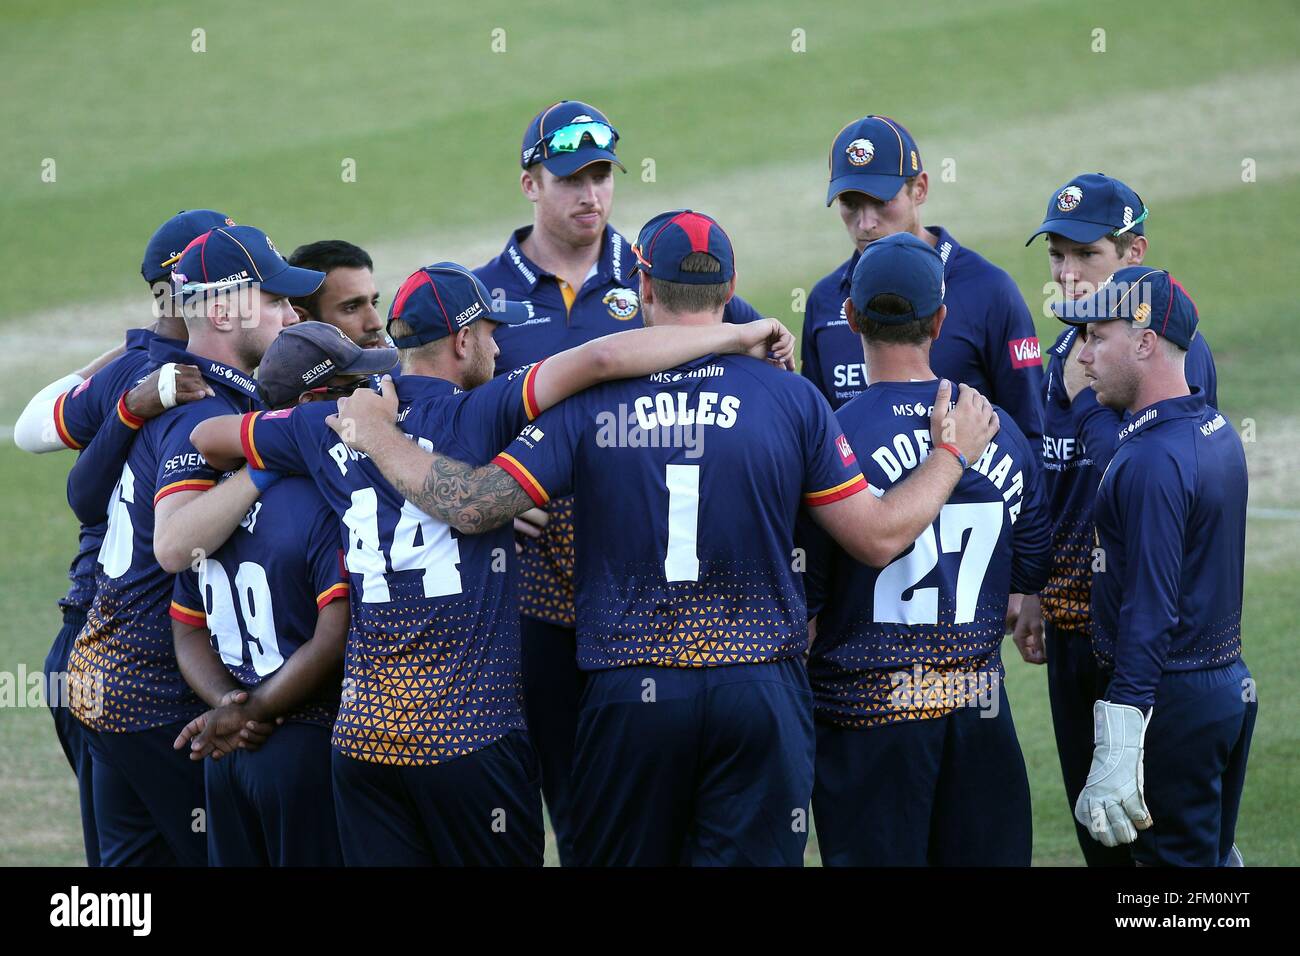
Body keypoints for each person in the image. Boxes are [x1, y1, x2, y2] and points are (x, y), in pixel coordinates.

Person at [327, 211, 1000, 866]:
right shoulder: (791, 399)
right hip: (758, 692)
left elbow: (471, 506)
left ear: (643, 288)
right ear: (730, 292)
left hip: (633, 699)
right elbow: (879, 538)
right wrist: (950, 455)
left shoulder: (589, 404)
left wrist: (380, 436)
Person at [188, 262, 795, 865]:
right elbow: (604, 360)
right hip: (469, 738)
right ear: (462, 340)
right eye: (489, 333)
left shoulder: (327, 426)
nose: (498, 345)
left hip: (364, 741)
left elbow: (207, 438)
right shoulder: (482, 414)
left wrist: (297, 443)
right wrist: (739, 334)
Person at [473, 100, 771, 862]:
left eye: (603, 176)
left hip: (654, 616)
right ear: (529, 183)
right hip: (539, 605)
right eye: (571, 178)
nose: (591, 196)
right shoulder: (482, 302)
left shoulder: (657, 274)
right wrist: (494, 496)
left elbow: (756, 366)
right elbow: (452, 422)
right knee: (583, 823)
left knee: (673, 821)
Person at [64, 224, 317, 865]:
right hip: (157, 698)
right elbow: (176, 545)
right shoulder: (206, 411)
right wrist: (269, 461)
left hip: (103, 680)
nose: (292, 314)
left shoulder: (165, 383)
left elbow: (82, 493)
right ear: (227, 307)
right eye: (277, 299)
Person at [801, 232, 1051, 865]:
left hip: (865, 727)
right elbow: (1023, 583)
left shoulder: (831, 439)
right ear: (941, 320)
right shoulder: (1003, 432)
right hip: (978, 720)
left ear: (851, 317)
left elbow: (805, 605)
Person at [10, 208, 230, 866]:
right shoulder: (192, 382)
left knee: (126, 867)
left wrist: (122, 352)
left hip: (88, 652)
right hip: (135, 657)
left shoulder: (137, 369)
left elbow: (33, 428)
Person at [1016, 173, 1219, 865]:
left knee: (1159, 845)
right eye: (1056, 256)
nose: (1067, 275)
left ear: (1134, 253)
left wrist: (1082, 406)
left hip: (1144, 640)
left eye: (1086, 255)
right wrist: (1035, 589)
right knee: (1097, 833)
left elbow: (1136, 485)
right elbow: (1053, 482)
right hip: (1073, 631)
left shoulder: (1168, 360)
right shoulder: (1060, 357)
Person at [168, 322, 396, 866]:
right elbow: (332, 634)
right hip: (304, 744)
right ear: (317, 402)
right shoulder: (332, 502)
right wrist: (256, 711)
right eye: (352, 387)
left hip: (228, 755)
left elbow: (186, 628)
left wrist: (228, 706)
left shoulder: (212, 507)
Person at [1053, 267, 1254, 866]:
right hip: (1221, 687)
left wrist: (1122, 738)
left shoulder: (1147, 462)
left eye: (1095, 336)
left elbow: (1149, 608)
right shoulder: (1213, 432)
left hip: (1170, 701)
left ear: (1144, 340)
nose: (1081, 356)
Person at [802, 115, 1044, 449]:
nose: (866, 223)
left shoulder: (990, 291)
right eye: (850, 203)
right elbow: (816, 441)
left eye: (881, 201)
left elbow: (1029, 435)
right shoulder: (824, 300)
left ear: (920, 189)